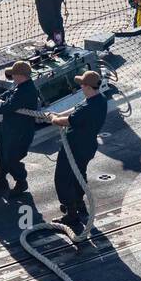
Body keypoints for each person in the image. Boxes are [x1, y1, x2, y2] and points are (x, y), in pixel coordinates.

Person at [47, 70, 108, 224]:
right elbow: (76, 109)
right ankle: (79, 204)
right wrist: (58, 114)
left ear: (87, 86)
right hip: (88, 146)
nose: (80, 87)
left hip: (75, 146)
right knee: (79, 174)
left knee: (63, 177)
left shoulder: (89, 108)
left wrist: (54, 119)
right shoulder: (99, 100)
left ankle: (71, 212)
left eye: (82, 84)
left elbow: (68, 121)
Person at [0, 60, 40, 195]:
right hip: (9, 127)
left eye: (13, 74)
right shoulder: (19, 86)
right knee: (0, 151)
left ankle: (21, 181)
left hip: (20, 131)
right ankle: (1, 178)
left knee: (11, 157)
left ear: (20, 75)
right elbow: (7, 96)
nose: (12, 76)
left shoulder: (27, 91)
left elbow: (5, 107)